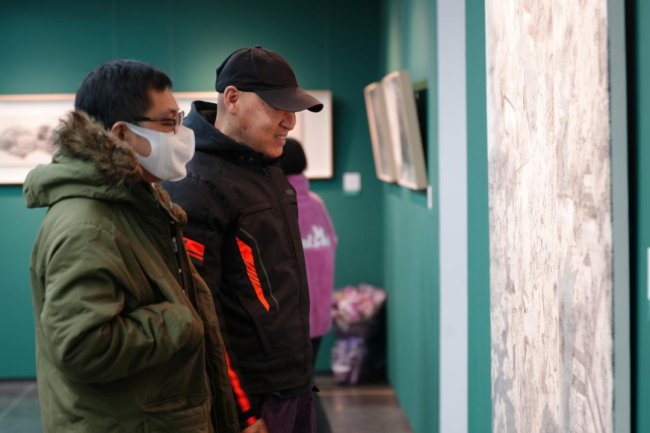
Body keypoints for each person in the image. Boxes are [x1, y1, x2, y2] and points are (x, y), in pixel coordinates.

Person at [24, 59, 238, 433]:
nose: (181, 133)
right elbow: (82, 346)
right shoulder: (87, 226)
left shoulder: (139, 202)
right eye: (169, 123)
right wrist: (180, 321)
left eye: (179, 119)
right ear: (122, 134)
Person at [161, 46, 323, 433]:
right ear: (233, 99)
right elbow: (201, 312)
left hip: (294, 385)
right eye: (278, 107)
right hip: (254, 399)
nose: (290, 122)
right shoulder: (197, 182)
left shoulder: (267, 167)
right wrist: (243, 411)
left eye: (293, 110)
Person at [279, 138, 337, 433]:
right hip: (319, 316)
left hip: (291, 318)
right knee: (307, 385)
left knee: (299, 393)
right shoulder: (316, 204)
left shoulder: (279, 206)